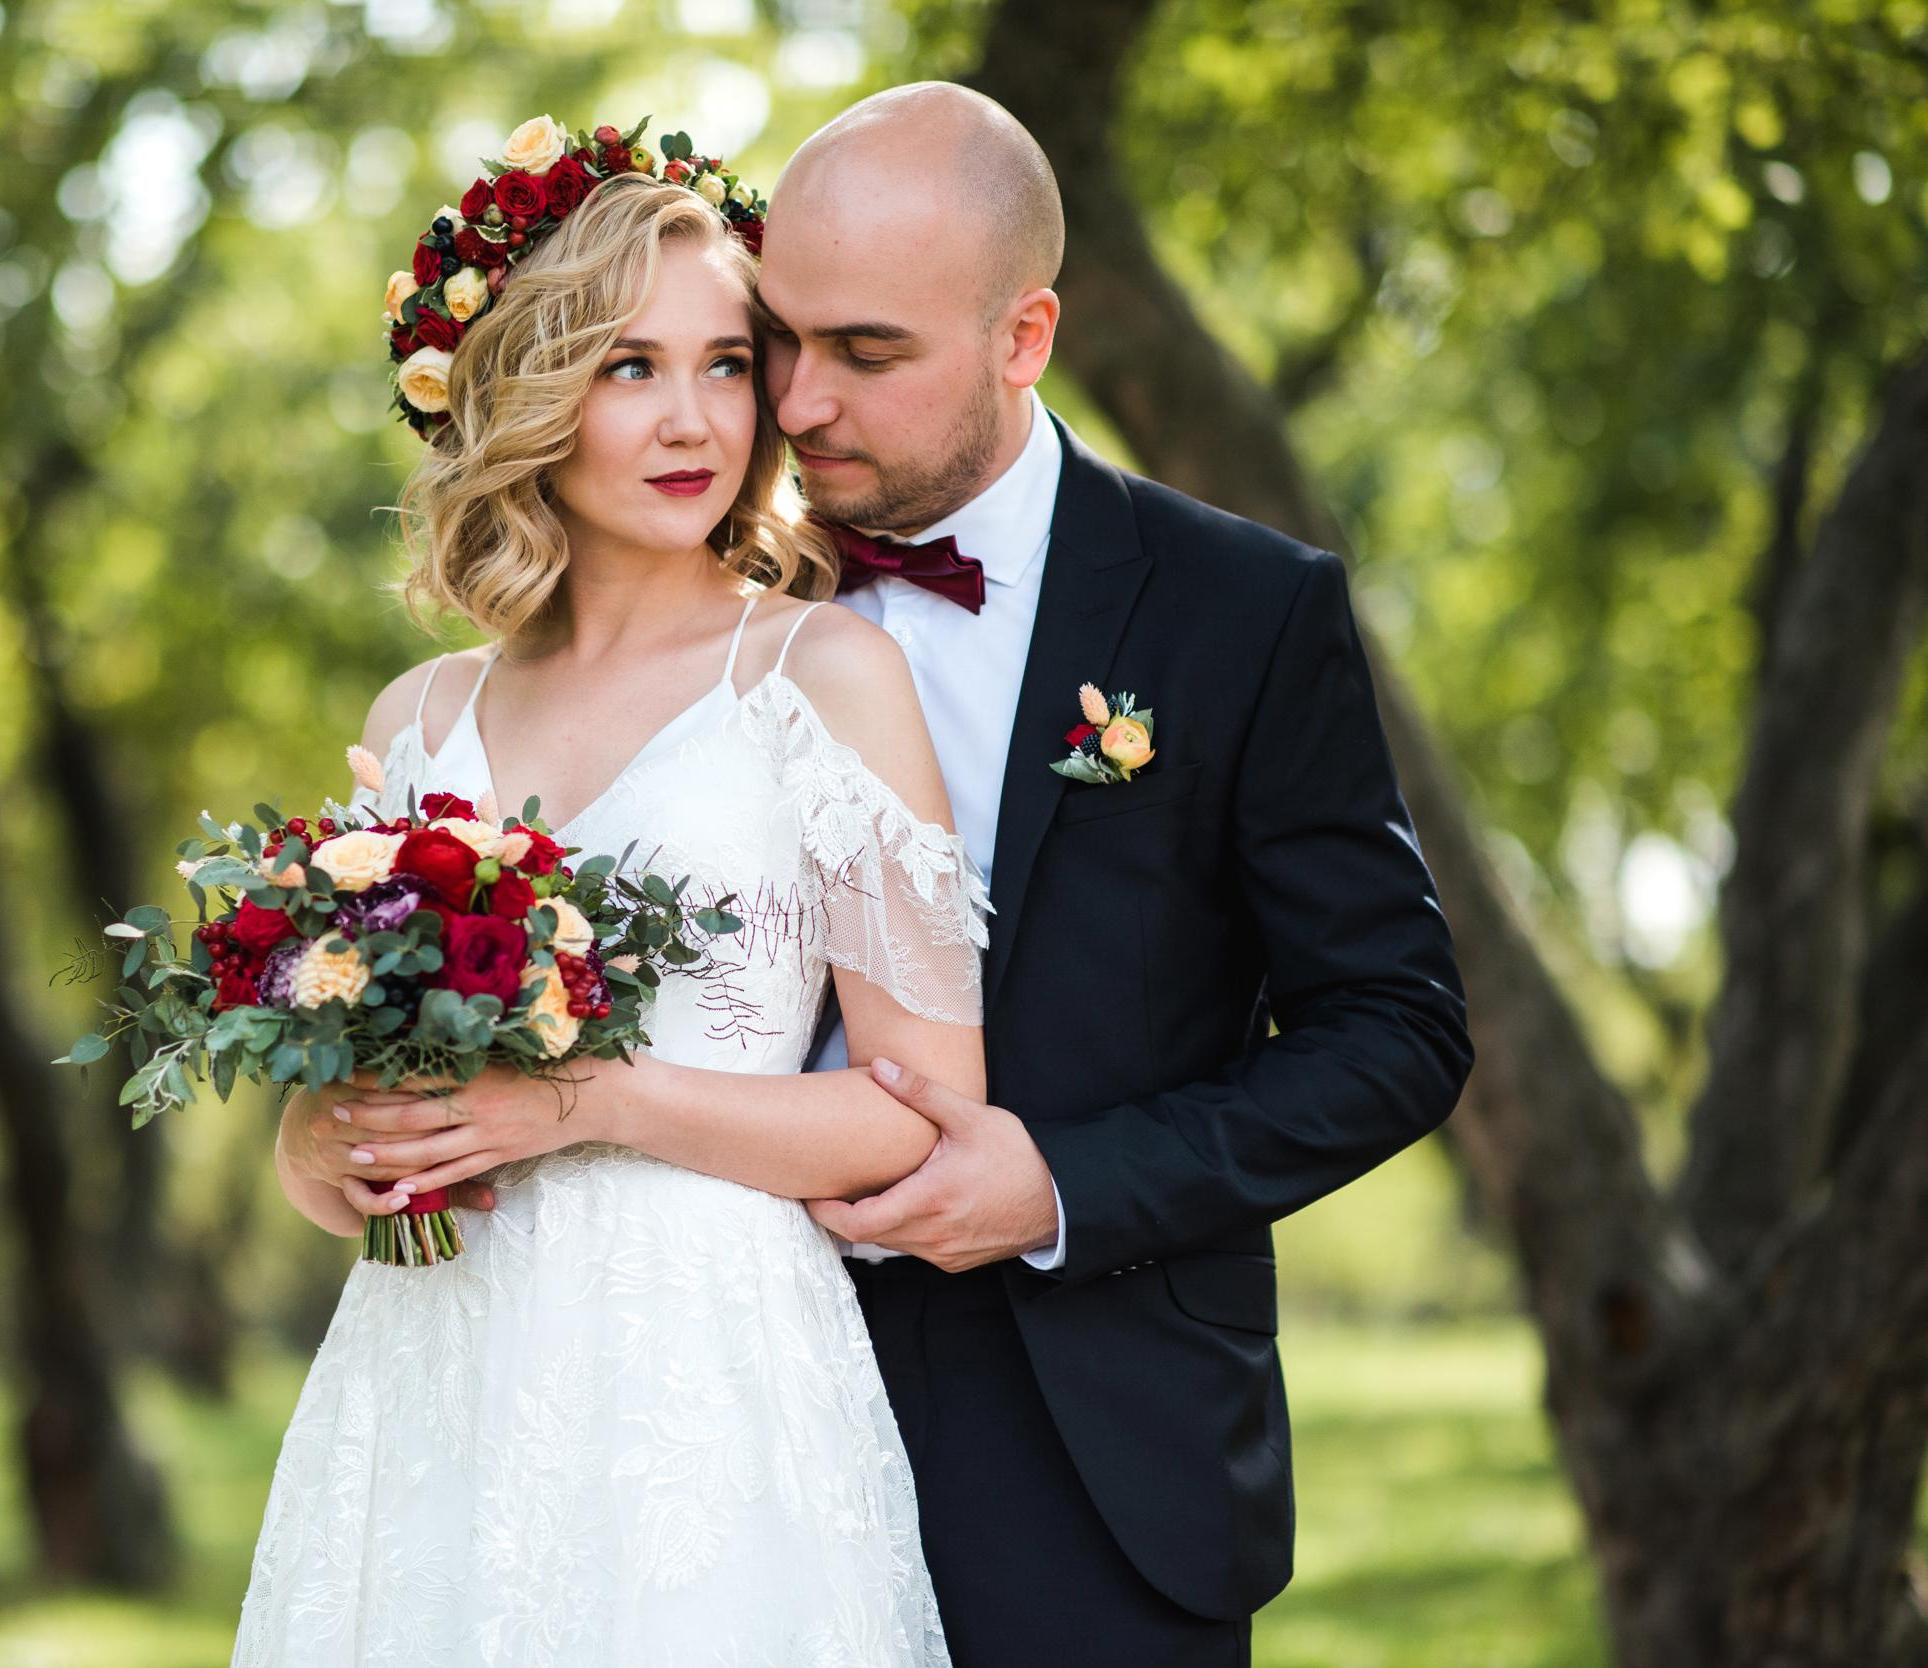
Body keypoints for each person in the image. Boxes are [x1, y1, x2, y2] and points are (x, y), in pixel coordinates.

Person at [318, 85, 1476, 1665]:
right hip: (646, 1397)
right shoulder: (689, 586)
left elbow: (1396, 1027)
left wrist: (1067, 1186)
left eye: (863, 355)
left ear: (1023, 338)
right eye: (771, 340)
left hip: (1083, 1428)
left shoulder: (1238, 614)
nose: (788, 406)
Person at [231, 139, 977, 1666]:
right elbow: (344, 1132)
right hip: (433, 1380)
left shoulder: (822, 675)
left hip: (706, 1396)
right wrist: (322, 1142)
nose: (695, 417)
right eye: (631, 365)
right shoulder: (421, 715)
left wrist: (582, 1103)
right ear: (530, 387)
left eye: (726, 362)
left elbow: (920, 1115)